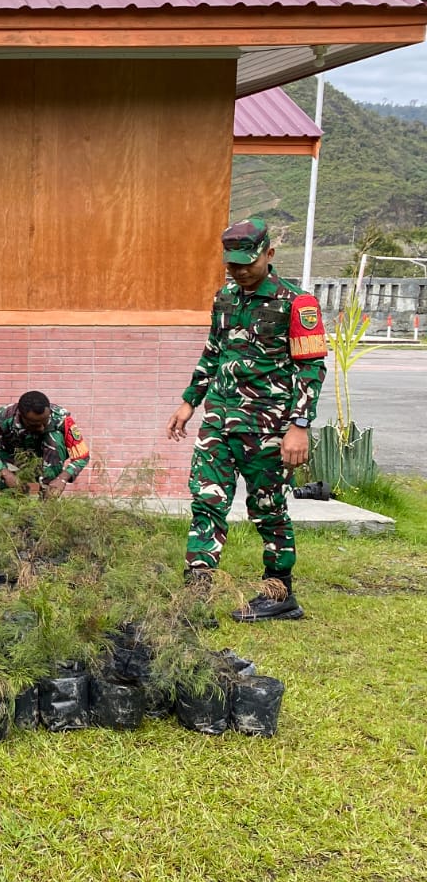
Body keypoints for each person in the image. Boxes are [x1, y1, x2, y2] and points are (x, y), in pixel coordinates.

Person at [167, 217, 326, 622]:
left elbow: (311, 368)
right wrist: (189, 401)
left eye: (247, 263)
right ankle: (196, 593)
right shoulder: (225, 298)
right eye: (232, 264)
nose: (238, 271)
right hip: (219, 422)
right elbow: (213, 352)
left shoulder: (297, 303)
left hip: (268, 428)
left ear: (268, 254)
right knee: (206, 501)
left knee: (267, 508)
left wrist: (299, 426)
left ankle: (279, 593)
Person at [0, 391, 90, 497]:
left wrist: (62, 478)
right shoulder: (0, 418)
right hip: (12, 464)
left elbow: (82, 456)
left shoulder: (62, 419)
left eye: (45, 422)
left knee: (55, 438)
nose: (41, 428)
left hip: (46, 466)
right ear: (21, 416)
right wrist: (4, 473)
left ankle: (46, 503)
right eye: (35, 425)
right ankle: (17, 496)